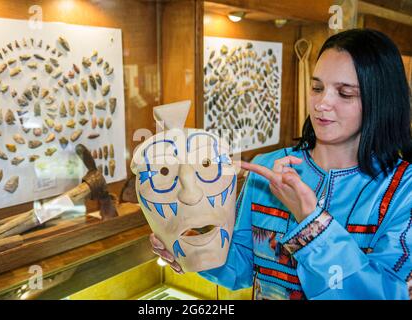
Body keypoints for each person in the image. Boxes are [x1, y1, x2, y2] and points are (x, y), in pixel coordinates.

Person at [150, 28, 412, 300]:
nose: (322, 103)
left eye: (345, 93)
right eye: (317, 87)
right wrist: (188, 246)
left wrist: (311, 223)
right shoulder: (266, 168)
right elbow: (239, 266)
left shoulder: (403, 191)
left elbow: (386, 293)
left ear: (381, 99)